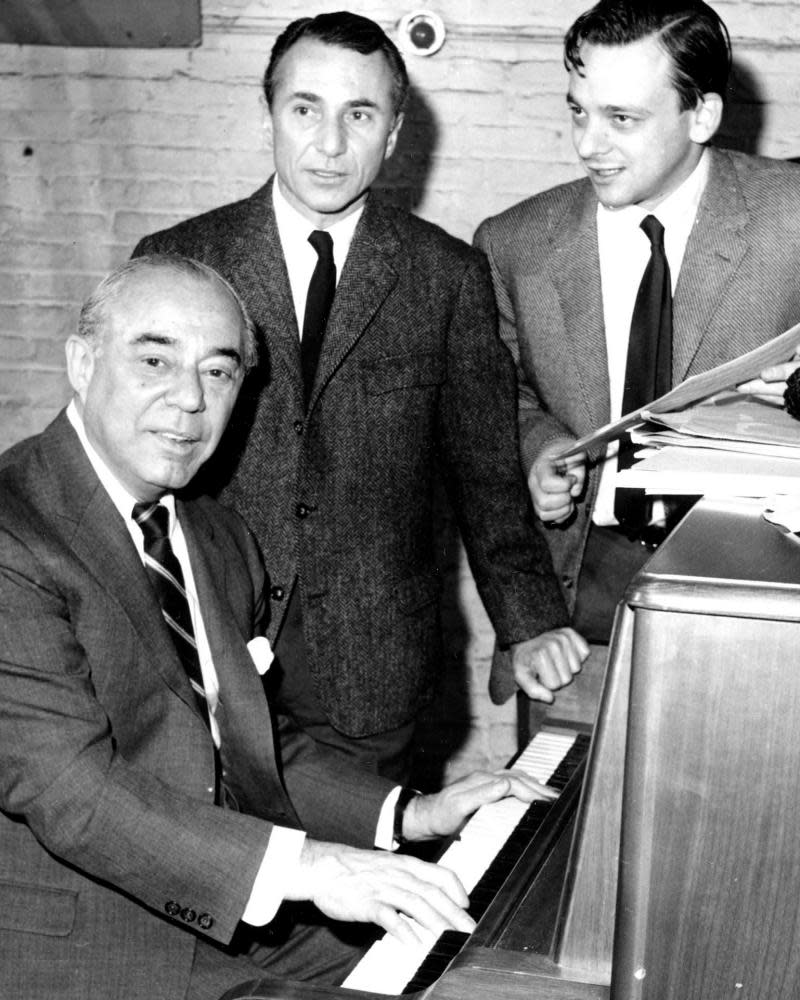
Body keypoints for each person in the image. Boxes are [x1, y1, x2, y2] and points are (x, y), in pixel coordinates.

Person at [0, 255, 564, 1000]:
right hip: (88, 941)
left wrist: (414, 814)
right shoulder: (14, 534)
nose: (188, 400)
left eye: (219, 372)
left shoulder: (214, 533)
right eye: (155, 359)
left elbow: (252, 740)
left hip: (235, 909)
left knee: (496, 973)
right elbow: (68, 787)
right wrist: (310, 867)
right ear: (81, 362)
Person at [133, 11, 588, 782]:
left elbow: (485, 475)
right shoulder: (179, 261)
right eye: (305, 109)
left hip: (374, 667)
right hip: (202, 643)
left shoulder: (445, 277)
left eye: (360, 114)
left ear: (396, 131)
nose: (330, 144)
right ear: (270, 113)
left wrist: (532, 623)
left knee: (357, 875)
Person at [474, 0, 800, 678]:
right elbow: (502, 394)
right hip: (578, 594)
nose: (588, 143)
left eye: (622, 118)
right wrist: (542, 447)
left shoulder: (790, 217)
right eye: (578, 110)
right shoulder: (513, 243)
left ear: (702, 115)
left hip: (762, 590)